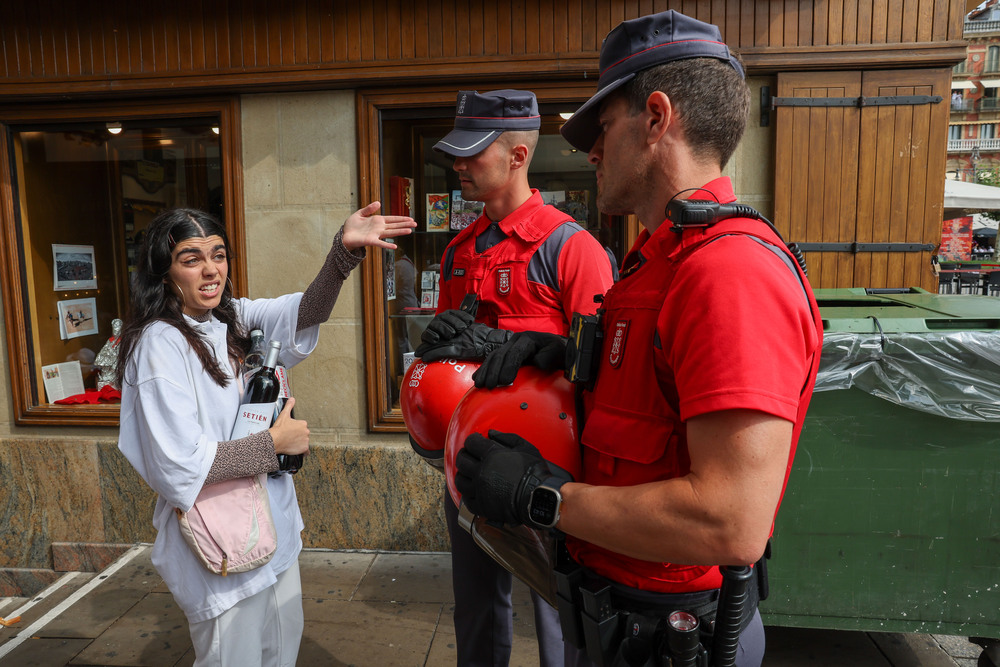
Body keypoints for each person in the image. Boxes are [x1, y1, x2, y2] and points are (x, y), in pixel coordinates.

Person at [453, 11, 824, 667]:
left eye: (602, 126)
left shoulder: (727, 273)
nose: (590, 151)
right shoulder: (658, 262)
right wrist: (565, 365)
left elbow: (729, 521)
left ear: (656, 118)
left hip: (675, 641)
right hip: (621, 627)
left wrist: (543, 496)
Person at [115, 204, 415, 666]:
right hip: (219, 541)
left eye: (218, 254)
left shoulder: (229, 319)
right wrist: (273, 446)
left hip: (270, 527)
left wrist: (343, 254)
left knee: (280, 651)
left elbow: (302, 313)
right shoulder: (161, 344)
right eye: (191, 258)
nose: (211, 269)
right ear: (162, 271)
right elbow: (179, 465)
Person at [413, 88, 615, 666]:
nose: (458, 166)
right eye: (455, 153)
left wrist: (528, 348)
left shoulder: (571, 249)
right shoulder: (458, 253)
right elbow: (449, 367)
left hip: (549, 469)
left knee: (559, 614)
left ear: (518, 156)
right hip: (470, 457)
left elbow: (600, 368)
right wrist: (435, 348)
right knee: (474, 606)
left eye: (472, 154)